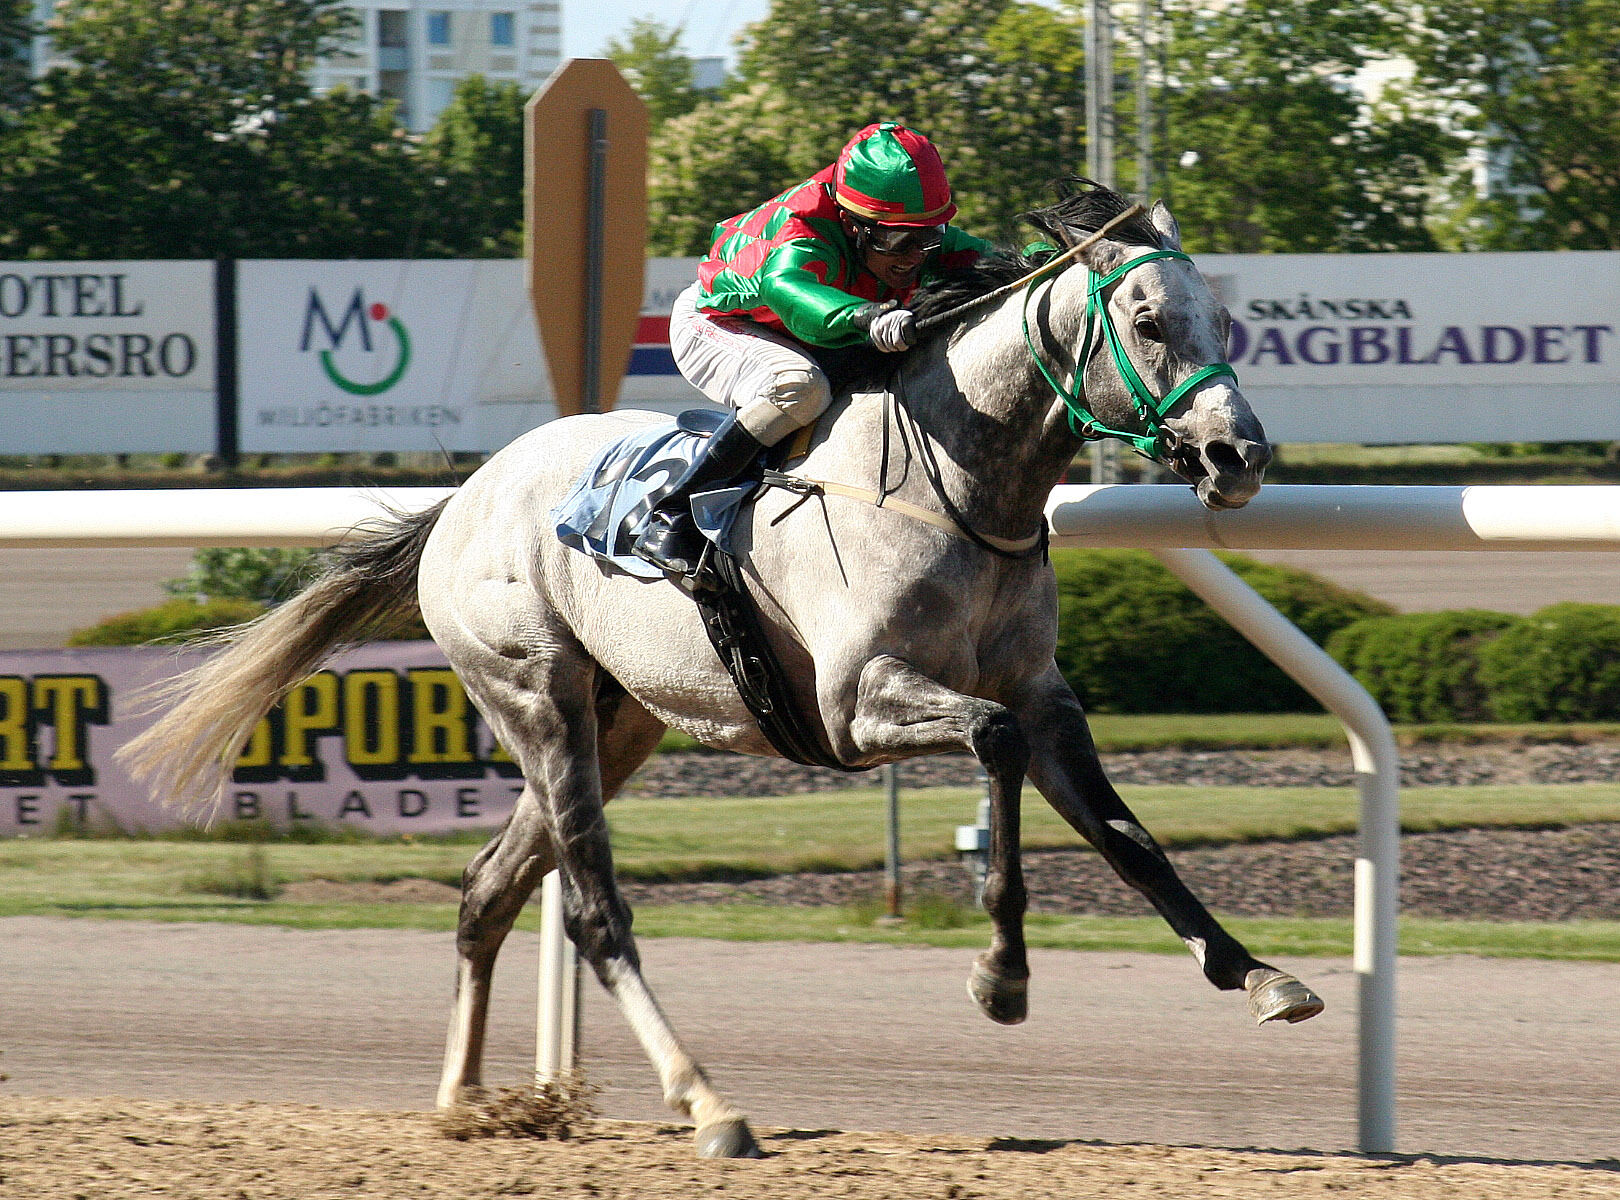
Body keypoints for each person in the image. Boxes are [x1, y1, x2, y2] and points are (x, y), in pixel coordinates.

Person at [633, 121, 994, 576]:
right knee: (801, 387)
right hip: (720, 320)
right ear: (851, 223)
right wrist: (866, 317)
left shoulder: (909, 238)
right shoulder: (801, 229)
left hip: (800, 330)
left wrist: (1049, 259)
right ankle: (672, 515)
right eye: (896, 239)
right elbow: (789, 288)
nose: (914, 255)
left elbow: (991, 262)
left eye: (928, 235)